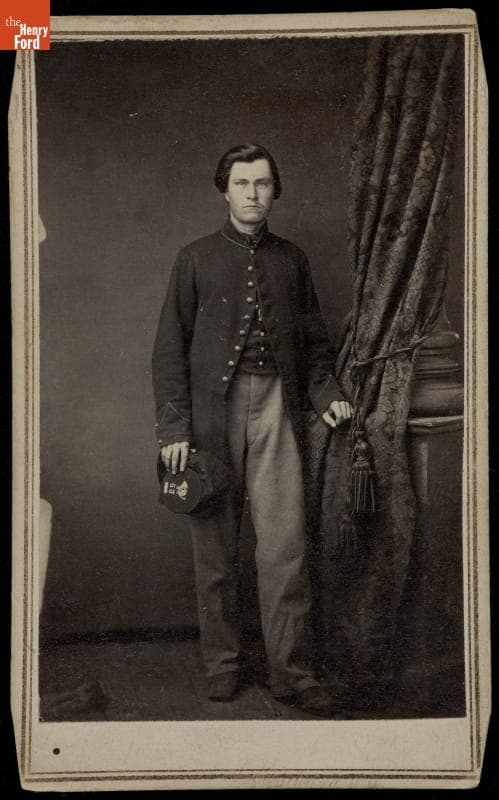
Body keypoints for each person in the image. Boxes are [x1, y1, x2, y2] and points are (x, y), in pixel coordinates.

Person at [152, 144, 352, 716]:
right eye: (242, 183)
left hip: (277, 410)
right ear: (225, 189)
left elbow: (315, 346)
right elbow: (168, 352)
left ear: (274, 191)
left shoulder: (292, 260)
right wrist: (173, 430)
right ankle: (222, 666)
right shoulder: (192, 258)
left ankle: (292, 671)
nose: (253, 194)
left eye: (263, 183)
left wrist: (329, 395)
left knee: (284, 547)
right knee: (214, 550)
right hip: (210, 417)